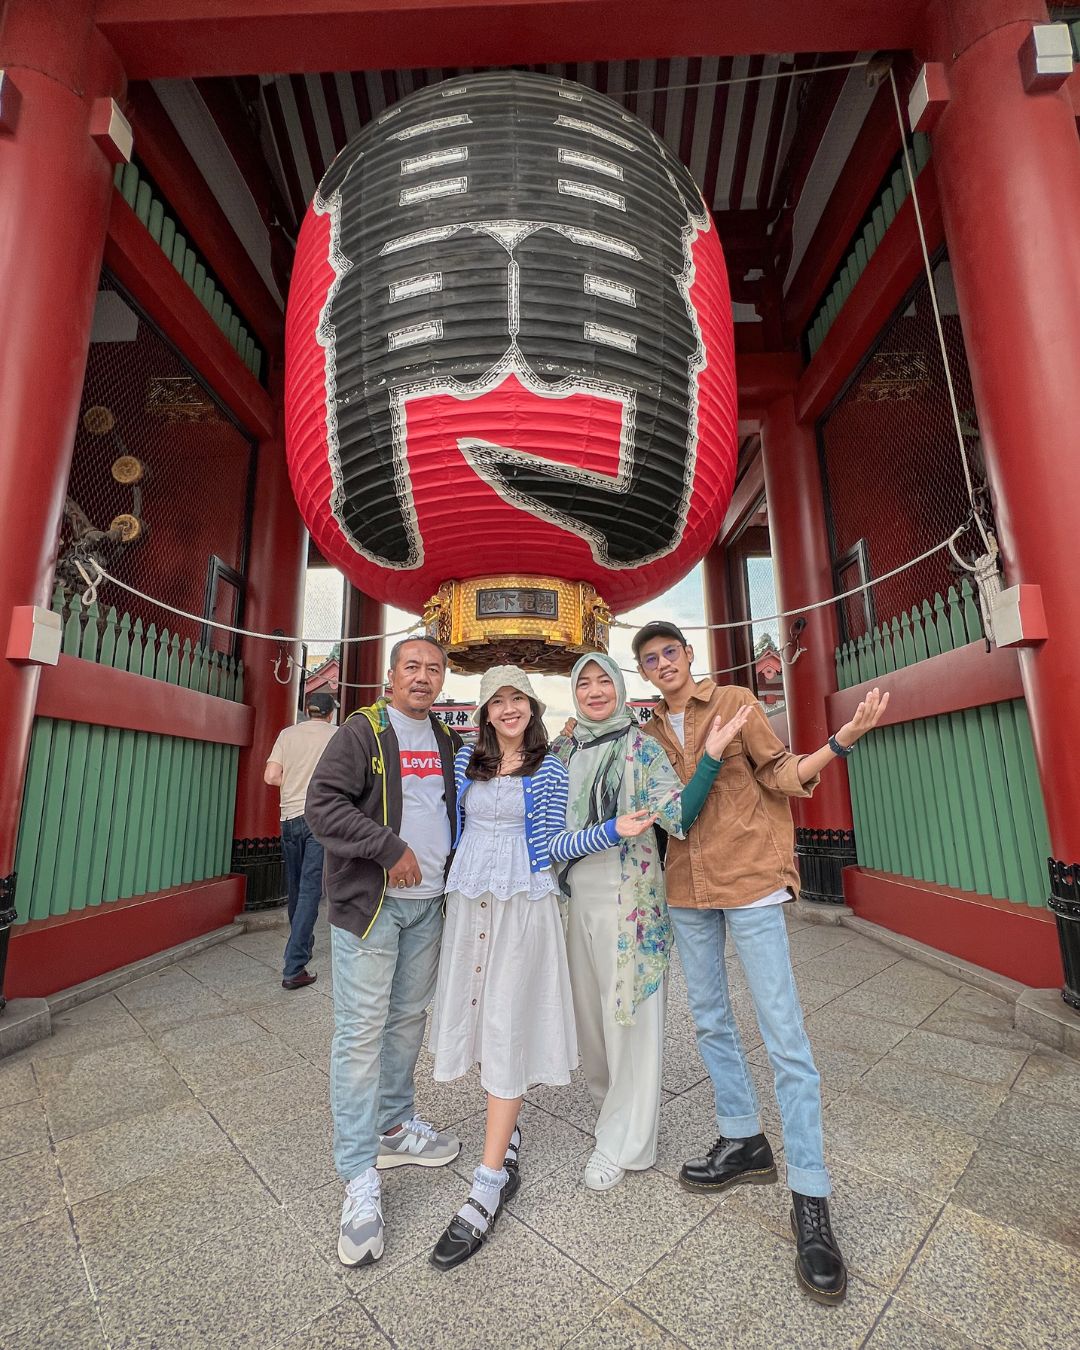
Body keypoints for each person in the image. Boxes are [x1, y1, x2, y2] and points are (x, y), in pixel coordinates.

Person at [633, 620, 887, 1306]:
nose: (662, 665)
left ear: (689, 656)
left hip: (748, 879)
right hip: (687, 889)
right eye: (650, 659)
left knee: (784, 1034)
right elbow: (668, 817)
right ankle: (743, 1138)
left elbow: (780, 773)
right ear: (645, 672)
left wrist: (840, 743)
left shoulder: (738, 703)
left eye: (669, 653)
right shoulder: (648, 732)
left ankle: (811, 1198)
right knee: (711, 1021)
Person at [426, 665, 656, 1271]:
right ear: (484, 711)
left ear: (532, 708)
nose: (509, 710)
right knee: (479, 1022)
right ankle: (510, 1131)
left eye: (518, 700)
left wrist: (612, 829)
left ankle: (488, 1180)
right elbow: (449, 832)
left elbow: (552, 845)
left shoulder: (548, 770)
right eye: (497, 701)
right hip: (469, 905)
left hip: (522, 910)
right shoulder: (463, 766)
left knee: (504, 1024)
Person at [553, 653, 750, 1191]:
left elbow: (678, 816)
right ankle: (609, 1113)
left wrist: (708, 759)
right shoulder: (565, 748)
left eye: (603, 682)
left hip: (629, 897)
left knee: (630, 1024)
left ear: (619, 687)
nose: (595, 692)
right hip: (576, 898)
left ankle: (628, 1142)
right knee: (593, 1024)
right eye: (584, 683)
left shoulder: (641, 747)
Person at [305, 636, 463, 1270]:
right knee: (360, 1031)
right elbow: (323, 807)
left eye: (433, 669)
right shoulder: (362, 732)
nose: (423, 678)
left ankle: (395, 1126)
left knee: (405, 1023)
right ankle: (358, 1175)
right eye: (413, 668)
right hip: (373, 905)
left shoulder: (446, 742)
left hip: (429, 905)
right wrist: (388, 848)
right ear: (391, 675)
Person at [264, 689, 338, 990]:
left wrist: (294, 780)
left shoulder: (287, 735)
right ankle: (294, 966)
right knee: (310, 891)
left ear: (308, 711)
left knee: (295, 888)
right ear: (331, 713)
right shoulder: (337, 735)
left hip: (289, 818)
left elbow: (271, 776)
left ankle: (302, 948)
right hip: (319, 819)